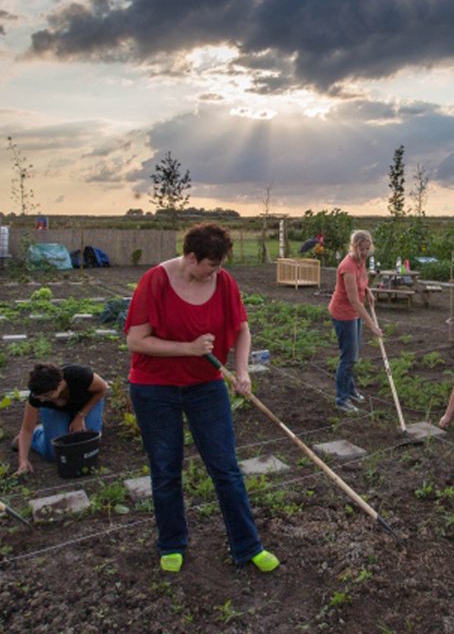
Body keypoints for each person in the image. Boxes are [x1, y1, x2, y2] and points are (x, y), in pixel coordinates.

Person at [124, 223, 279, 575]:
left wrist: (242, 371)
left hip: (206, 386)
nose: (217, 271)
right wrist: (188, 349)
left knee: (225, 467)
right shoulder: (156, 281)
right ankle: (172, 543)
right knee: (165, 469)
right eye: (212, 265)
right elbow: (136, 340)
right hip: (154, 388)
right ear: (191, 258)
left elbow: (241, 328)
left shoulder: (223, 283)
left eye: (221, 264)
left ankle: (248, 545)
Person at [15, 363, 109, 474]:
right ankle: (38, 434)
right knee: (55, 453)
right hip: (56, 411)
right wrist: (23, 460)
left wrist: (80, 416)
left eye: (46, 396)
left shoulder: (79, 376)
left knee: (89, 442)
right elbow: (26, 429)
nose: (41, 400)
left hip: (85, 404)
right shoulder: (37, 396)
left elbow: (102, 389)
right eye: (38, 397)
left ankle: (68, 424)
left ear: (59, 385)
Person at [327, 230, 382, 413]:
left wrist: (368, 291)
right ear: (354, 246)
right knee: (348, 357)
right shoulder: (347, 266)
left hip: (354, 313)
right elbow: (353, 301)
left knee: (354, 355)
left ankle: (350, 390)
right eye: (361, 249)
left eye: (367, 249)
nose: (365, 252)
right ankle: (341, 399)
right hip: (343, 314)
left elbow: (362, 281)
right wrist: (372, 325)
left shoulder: (361, 261)